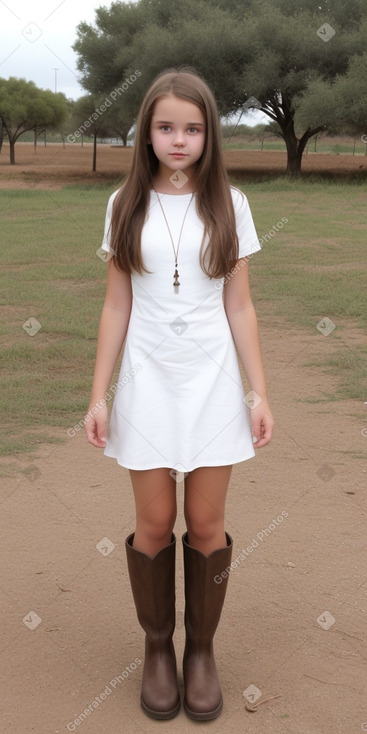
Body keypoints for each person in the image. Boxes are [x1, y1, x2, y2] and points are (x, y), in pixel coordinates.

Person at [85, 67, 274, 722]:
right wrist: (100, 393)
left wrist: (257, 392)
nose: (178, 139)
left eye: (191, 129)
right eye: (165, 126)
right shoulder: (122, 204)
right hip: (145, 381)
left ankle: (200, 652)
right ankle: (158, 648)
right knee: (154, 523)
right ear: (145, 131)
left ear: (208, 135)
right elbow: (115, 305)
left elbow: (240, 305)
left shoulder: (230, 204)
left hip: (212, 384)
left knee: (206, 524)